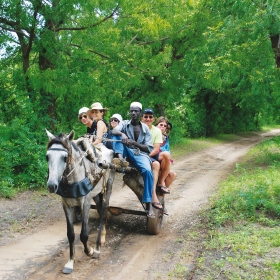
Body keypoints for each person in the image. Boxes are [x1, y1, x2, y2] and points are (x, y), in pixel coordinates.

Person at [111, 102, 155, 218]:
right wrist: (123, 134)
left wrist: (134, 143)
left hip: (140, 154)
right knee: (117, 136)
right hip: (125, 152)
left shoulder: (145, 128)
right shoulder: (124, 123)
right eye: (131, 111)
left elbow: (149, 148)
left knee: (147, 171)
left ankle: (149, 204)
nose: (133, 113)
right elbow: (113, 131)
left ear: (140, 113)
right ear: (129, 112)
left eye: (136, 111)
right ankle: (120, 160)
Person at [155, 116, 177, 214]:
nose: (162, 127)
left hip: (163, 162)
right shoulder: (152, 134)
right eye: (161, 125)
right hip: (154, 160)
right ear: (156, 125)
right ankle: (161, 183)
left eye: (164, 126)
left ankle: (162, 198)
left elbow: (168, 152)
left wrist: (169, 161)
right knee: (165, 155)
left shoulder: (166, 138)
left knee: (172, 174)